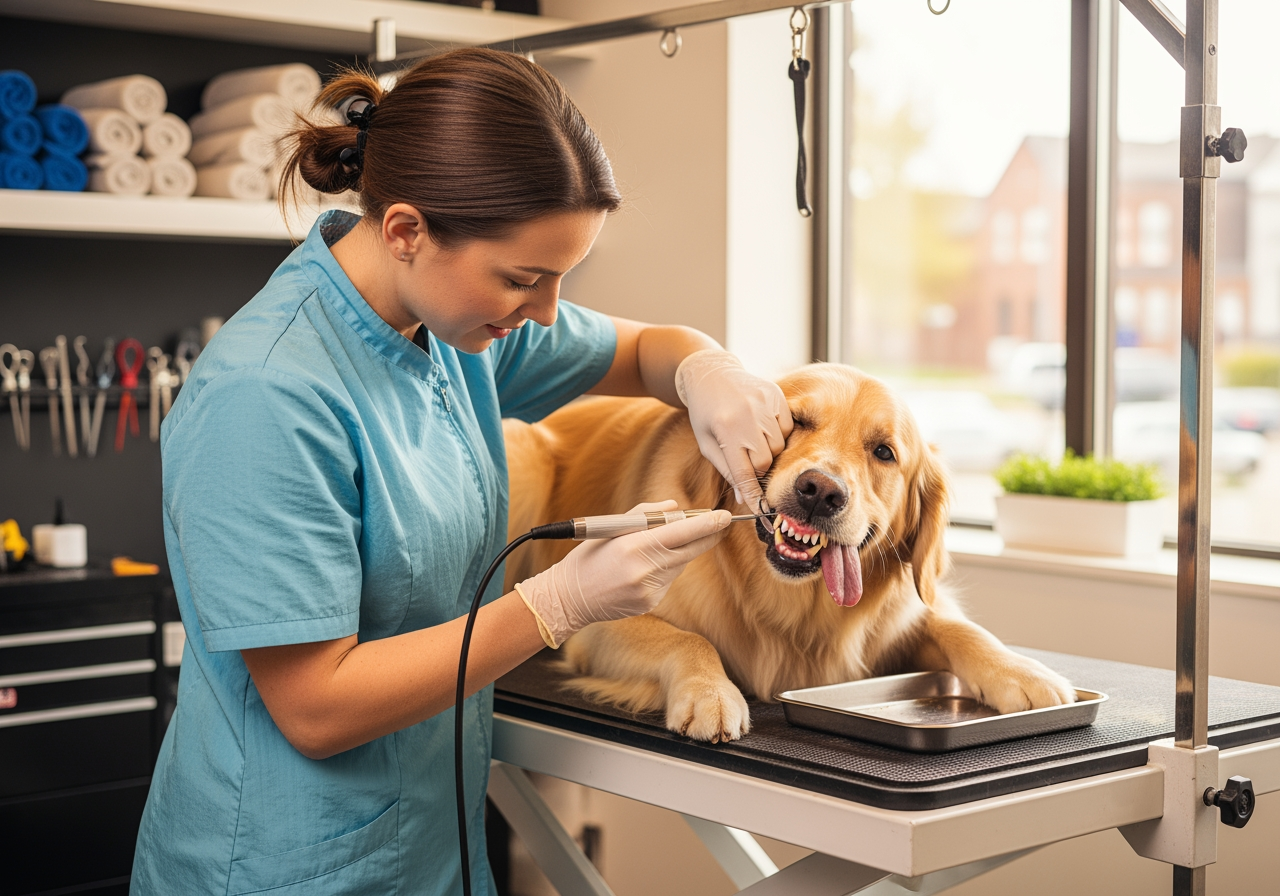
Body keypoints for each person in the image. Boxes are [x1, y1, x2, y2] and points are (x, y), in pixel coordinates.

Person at [131, 49, 792, 895]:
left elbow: (644, 349)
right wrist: (560, 602)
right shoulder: (264, 397)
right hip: (283, 863)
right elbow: (316, 709)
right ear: (406, 230)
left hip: (428, 848)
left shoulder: (448, 325)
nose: (547, 312)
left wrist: (709, 372)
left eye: (563, 276)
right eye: (525, 278)